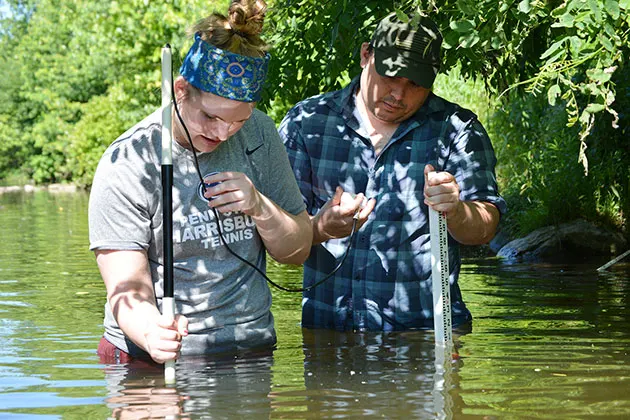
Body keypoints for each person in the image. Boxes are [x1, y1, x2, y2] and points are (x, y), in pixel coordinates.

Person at [89, 0, 312, 365]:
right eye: (209, 116)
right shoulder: (129, 163)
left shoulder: (260, 134)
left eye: (237, 120)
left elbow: (297, 250)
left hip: (250, 349)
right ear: (180, 90)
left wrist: (260, 206)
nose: (223, 133)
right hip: (149, 359)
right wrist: (150, 330)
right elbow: (126, 288)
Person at [279, 12, 507, 331]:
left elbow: (485, 227)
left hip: (427, 334)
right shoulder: (307, 123)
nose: (398, 95)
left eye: (415, 84)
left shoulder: (457, 131)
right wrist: (321, 227)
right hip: (329, 332)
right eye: (389, 76)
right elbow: (279, 240)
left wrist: (456, 211)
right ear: (365, 55)